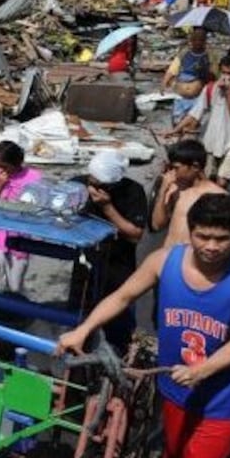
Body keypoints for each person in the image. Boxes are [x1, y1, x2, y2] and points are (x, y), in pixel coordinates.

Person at [57, 194, 230, 458]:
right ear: (190, 231)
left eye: (222, 239)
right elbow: (123, 296)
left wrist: (204, 369)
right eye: (204, 236)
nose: (212, 246)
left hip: (223, 401)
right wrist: (83, 329)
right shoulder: (163, 262)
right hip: (172, 389)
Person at [70, 150, 149, 351]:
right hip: (86, 264)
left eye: (99, 185)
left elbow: (134, 234)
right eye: (91, 181)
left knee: (117, 318)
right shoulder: (78, 185)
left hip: (117, 265)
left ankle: (118, 357)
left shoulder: (133, 192)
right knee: (80, 313)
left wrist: (107, 208)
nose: (93, 187)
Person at [168, 55, 230, 189]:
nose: (225, 76)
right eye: (223, 72)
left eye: (229, 73)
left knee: (222, 182)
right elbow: (195, 113)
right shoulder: (210, 88)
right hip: (209, 142)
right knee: (205, 181)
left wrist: (228, 94)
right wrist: (175, 129)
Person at [0, 141, 42, 293]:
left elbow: (39, 205)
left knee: (14, 285)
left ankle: (12, 312)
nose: (0, 170)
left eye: (5, 166)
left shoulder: (34, 177)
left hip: (19, 234)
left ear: (17, 163)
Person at [151, 139, 226, 250]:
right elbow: (157, 225)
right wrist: (163, 191)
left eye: (176, 168)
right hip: (169, 256)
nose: (171, 172)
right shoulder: (174, 189)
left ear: (195, 167)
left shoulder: (217, 196)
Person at [162, 28, 216, 126]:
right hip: (180, 96)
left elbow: (214, 75)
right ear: (191, 40)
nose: (197, 42)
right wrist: (163, 84)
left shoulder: (209, 55)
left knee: (193, 124)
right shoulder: (184, 53)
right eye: (195, 39)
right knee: (177, 123)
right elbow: (172, 70)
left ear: (204, 41)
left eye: (200, 40)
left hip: (197, 97)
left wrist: (203, 70)